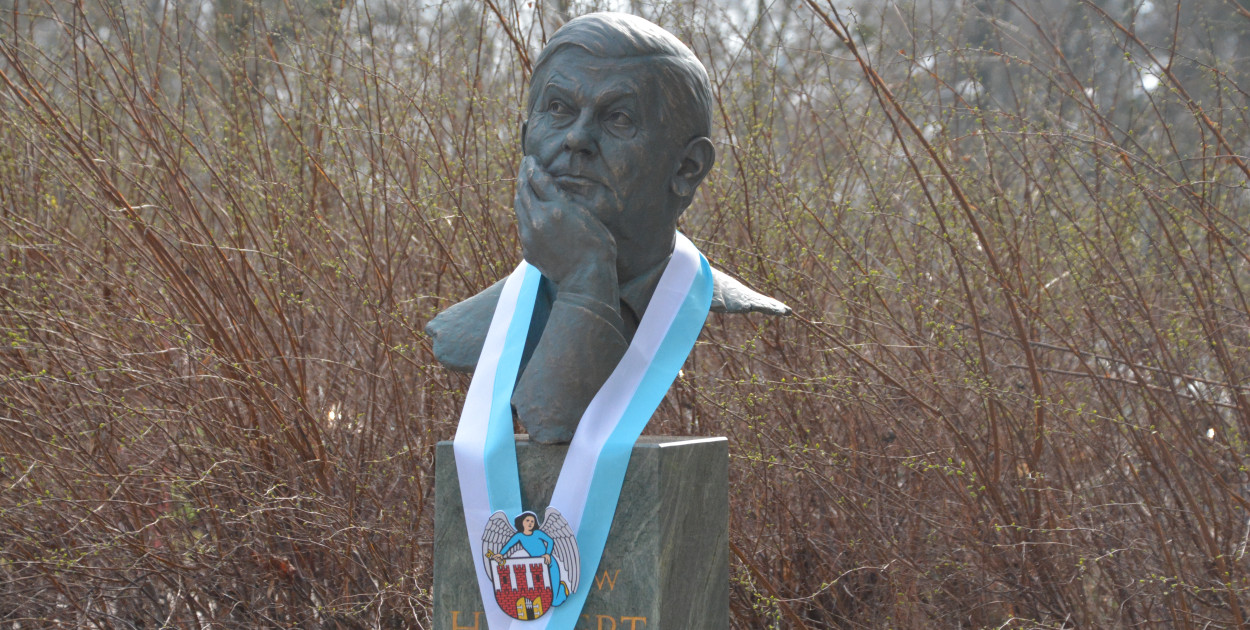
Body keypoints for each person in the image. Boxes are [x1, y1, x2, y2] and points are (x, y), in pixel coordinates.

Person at [426, 13, 788, 443]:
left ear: (687, 168)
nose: (577, 138)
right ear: (525, 139)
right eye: (558, 109)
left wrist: (586, 278)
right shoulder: (464, 331)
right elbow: (552, 424)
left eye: (618, 118)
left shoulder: (748, 336)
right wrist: (584, 278)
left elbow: (557, 421)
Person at [491, 511, 568, 606]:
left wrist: (548, 554)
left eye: (532, 521)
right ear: (522, 522)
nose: (530, 523)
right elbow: (508, 545)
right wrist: (501, 554)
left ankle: (562, 587)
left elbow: (550, 541)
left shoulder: (537, 533)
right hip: (538, 567)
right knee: (544, 597)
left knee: (554, 602)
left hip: (550, 563)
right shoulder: (519, 536)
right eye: (527, 520)